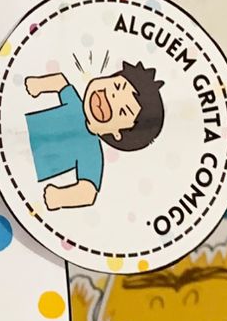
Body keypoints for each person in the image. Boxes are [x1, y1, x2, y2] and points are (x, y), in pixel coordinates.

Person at [23, 64, 165, 211]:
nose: (112, 97)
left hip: (27, 167)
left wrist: (59, 197)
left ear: (117, 134)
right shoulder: (75, 105)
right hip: (17, 135)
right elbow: (60, 82)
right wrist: (38, 84)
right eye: (117, 86)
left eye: (122, 111)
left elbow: (88, 193)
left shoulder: (92, 153)